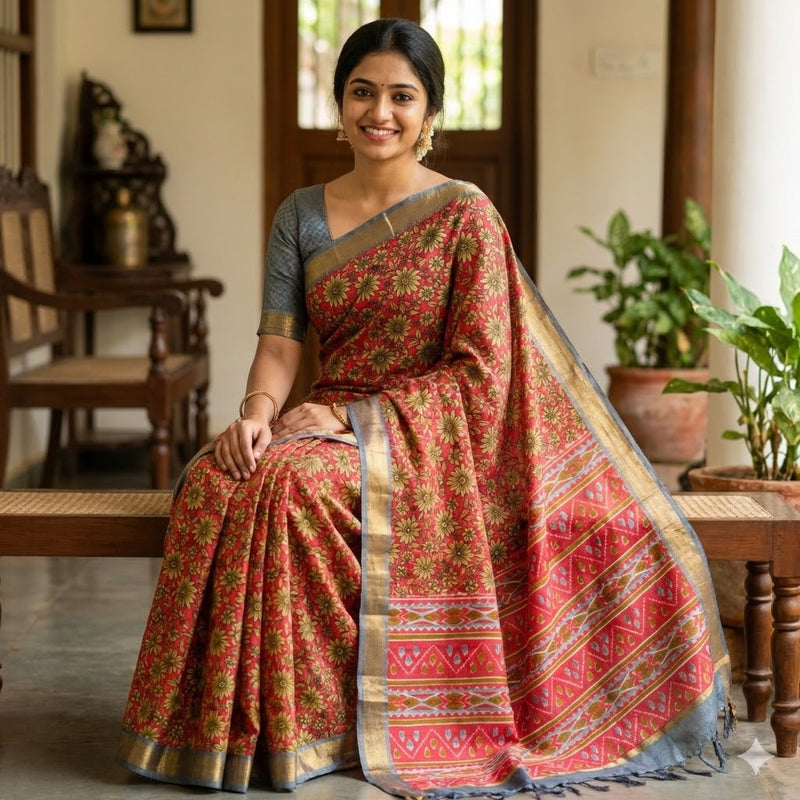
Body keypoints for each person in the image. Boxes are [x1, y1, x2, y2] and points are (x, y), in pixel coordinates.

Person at [117, 17, 731, 797]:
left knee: (287, 489)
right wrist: (257, 414)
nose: (380, 112)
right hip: (328, 418)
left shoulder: (465, 214)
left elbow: (482, 372)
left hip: (426, 437)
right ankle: (221, 728)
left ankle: (325, 724)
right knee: (217, 478)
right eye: (362, 92)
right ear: (340, 105)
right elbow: (279, 346)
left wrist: (350, 420)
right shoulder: (300, 215)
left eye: (401, 96)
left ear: (430, 113)